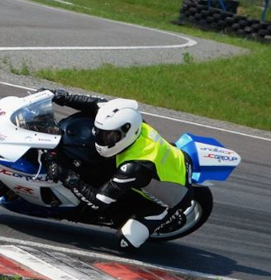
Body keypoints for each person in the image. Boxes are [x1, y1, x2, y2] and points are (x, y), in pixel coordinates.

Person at [46, 88, 193, 252]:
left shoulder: (133, 167)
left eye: (109, 136)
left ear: (126, 132)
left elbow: (98, 202)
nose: (101, 139)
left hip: (171, 200)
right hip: (177, 160)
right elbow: (98, 104)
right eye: (100, 133)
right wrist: (61, 97)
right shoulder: (133, 122)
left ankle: (165, 218)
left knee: (125, 244)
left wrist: (66, 175)